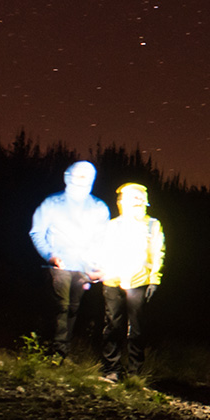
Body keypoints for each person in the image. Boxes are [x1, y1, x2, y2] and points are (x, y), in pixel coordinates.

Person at [28, 161, 112, 358]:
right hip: (59, 266)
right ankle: (54, 352)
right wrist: (50, 255)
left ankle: (60, 351)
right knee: (60, 307)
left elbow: (102, 240)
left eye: (88, 177)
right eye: (79, 175)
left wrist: (97, 266)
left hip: (82, 268)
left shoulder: (98, 207)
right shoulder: (52, 203)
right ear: (68, 176)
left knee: (73, 310)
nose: (83, 180)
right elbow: (37, 231)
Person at [96, 182, 165, 381]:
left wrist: (155, 279)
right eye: (132, 198)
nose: (136, 201)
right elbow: (102, 251)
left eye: (139, 198)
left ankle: (136, 374)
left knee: (137, 329)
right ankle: (111, 370)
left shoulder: (153, 224)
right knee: (112, 326)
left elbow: (158, 253)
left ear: (144, 200)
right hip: (112, 281)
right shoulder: (113, 225)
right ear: (123, 201)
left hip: (140, 282)